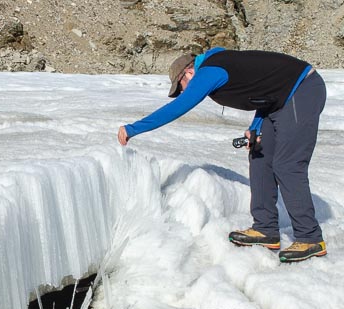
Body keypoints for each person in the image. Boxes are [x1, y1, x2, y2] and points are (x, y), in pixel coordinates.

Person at [117, 47, 327, 263]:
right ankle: (266, 229)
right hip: (278, 100)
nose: (184, 92)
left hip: (302, 90)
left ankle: (310, 237)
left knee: (287, 165)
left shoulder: (210, 71)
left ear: (188, 73)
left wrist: (134, 129)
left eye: (181, 87)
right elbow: (264, 89)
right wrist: (255, 128)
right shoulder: (218, 67)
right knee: (259, 156)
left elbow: (179, 107)